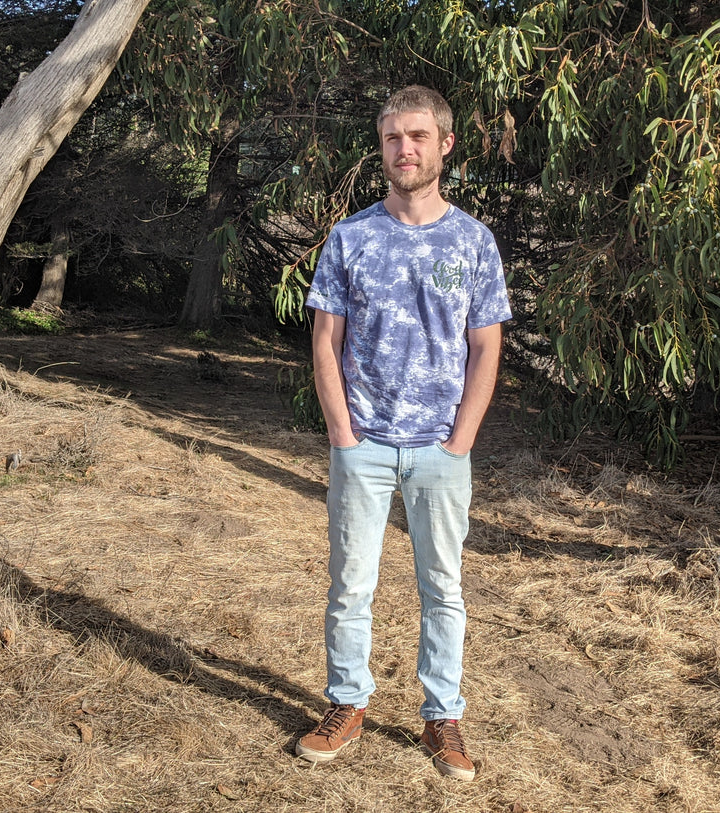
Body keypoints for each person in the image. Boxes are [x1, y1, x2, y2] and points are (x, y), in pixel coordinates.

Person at [294, 85, 511, 781]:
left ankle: (442, 715)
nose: (404, 149)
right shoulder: (351, 237)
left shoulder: (472, 241)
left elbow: (486, 346)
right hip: (362, 445)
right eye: (392, 137)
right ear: (382, 147)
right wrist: (342, 432)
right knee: (350, 586)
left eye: (417, 136)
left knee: (442, 587)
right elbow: (325, 341)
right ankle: (347, 703)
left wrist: (461, 439)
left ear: (445, 144)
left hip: (439, 449)